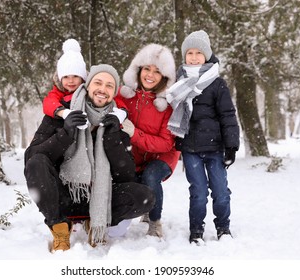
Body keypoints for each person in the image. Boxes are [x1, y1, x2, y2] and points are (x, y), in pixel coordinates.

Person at [24, 64, 155, 252]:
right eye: (98, 83)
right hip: (63, 197)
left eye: (109, 86)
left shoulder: (117, 121)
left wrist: (111, 137)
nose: (103, 89)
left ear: (113, 92)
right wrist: (66, 133)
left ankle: (95, 221)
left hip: (99, 198)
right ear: (87, 86)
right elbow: (33, 156)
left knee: (145, 197)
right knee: (36, 163)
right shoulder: (62, 113)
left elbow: (126, 176)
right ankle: (60, 227)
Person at [166, 30, 240, 245]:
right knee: (198, 192)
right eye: (190, 52)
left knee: (220, 191)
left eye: (199, 52)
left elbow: (228, 116)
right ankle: (196, 230)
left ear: (207, 55)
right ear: (184, 55)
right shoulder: (179, 83)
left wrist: (231, 146)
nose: (195, 56)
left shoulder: (217, 83)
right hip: (190, 149)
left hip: (215, 148)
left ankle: (223, 228)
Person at [118, 44, 180, 238]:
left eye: (157, 71)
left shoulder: (167, 106)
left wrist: (135, 134)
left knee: (151, 175)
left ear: (165, 77)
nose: (150, 75)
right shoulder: (125, 97)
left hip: (163, 155)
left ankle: (155, 222)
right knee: (131, 179)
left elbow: (165, 143)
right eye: (147, 69)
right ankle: (138, 208)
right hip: (136, 155)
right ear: (138, 70)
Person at [43, 38, 127, 122]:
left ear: (82, 77)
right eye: (66, 77)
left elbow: (114, 99)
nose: (71, 81)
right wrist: (63, 112)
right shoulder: (58, 92)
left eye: (75, 76)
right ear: (60, 79)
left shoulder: (90, 90)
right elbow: (48, 103)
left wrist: (122, 112)